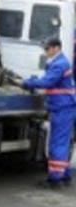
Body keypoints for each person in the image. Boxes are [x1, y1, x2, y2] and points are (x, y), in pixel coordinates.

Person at [21, 38, 75, 189]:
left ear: (56, 48)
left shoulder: (60, 64)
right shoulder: (60, 62)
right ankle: (64, 176)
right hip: (65, 106)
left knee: (57, 143)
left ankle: (55, 179)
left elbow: (47, 82)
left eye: (47, 49)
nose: (46, 52)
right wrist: (36, 80)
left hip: (62, 107)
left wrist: (29, 83)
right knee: (62, 142)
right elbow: (49, 81)